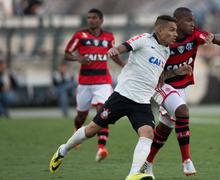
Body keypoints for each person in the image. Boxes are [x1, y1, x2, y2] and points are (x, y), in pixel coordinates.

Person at [49, 15, 191, 180]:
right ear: (159, 29)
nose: (176, 34)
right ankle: (63, 150)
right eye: (172, 30)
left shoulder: (166, 51)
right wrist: (116, 50)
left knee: (148, 134)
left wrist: (176, 72)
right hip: (122, 96)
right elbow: (126, 46)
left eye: (176, 31)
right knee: (92, 130)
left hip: (142, 102)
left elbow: (159, 77)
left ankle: (133, 174)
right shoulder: (144, 39)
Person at [142, 7, 220, 177]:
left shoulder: (194, 34)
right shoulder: (161, 41)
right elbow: (155, 73)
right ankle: (186, 160)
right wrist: (176, 71)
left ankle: (146, 163)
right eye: (188, 20)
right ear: (177, 22)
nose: (192, 23)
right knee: (182, 111)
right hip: (161, 85)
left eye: (193, 20)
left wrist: (214, 38)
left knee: (165, 129)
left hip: (181, 89)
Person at [64, 8, 125, 162]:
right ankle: (77, 130)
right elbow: (67, 53)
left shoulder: (108, 36)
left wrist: (124, 65)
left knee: (102, 111)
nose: (90, 20)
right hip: (84, 83)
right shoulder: (80, 36)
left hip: (103, 82)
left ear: (101, 20)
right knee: (81, 116)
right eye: (89, 17)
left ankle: (101, 148)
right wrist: (79, 59)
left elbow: (113, 55)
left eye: (94, 17)